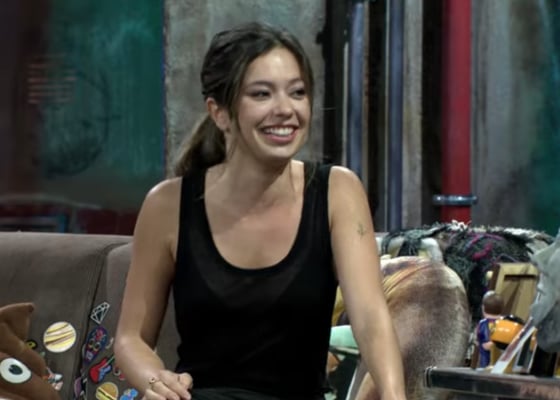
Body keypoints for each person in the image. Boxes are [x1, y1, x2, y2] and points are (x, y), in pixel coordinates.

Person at [114, 21, 407, 400]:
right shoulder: (167, 205)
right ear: (220, 112)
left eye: (297, 92)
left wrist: (395, 395)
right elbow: (131, 338)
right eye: (262, 94)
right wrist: (158, 382)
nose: (285, 109)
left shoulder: (338, 191)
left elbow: (370, 318)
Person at [474, 290, 504, 368]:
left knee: (484, 365)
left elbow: (478, 338)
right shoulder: (503, 323)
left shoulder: (482, 324)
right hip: (499, 357)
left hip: (485, 354)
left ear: (483, 308)